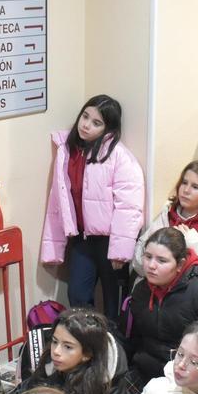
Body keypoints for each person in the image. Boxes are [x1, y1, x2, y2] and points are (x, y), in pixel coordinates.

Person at [41, 95, 145, 318]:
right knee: (77, 295)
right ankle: (88, 343)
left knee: (113, 302)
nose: (86, 125)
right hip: (82, 238)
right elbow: (57, 201)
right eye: (85, 116)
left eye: (96, 123)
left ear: (109, 129)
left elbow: (129, 207)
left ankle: (114, 347)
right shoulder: (67, 151)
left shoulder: (119, 157)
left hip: (110, 240)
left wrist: (120, 251)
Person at [124, 228, 198, 383]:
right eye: (148, 257)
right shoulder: (141, 289)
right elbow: (132, 339)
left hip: (187, 377)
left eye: (162, 260)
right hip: (143, 372)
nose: (151, 266)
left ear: (180, 264)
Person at [11, 309, 122, 394]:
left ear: (87, 354)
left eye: (68, 347)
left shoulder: (105, 391)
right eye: (55, 342)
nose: (56, 351)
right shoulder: (49, 367)